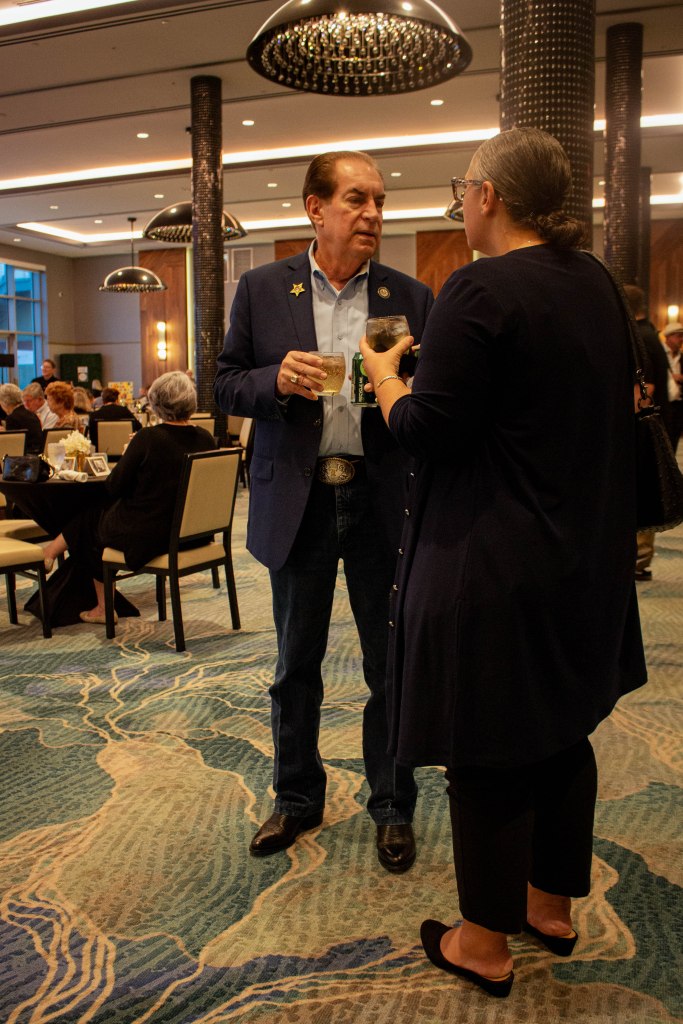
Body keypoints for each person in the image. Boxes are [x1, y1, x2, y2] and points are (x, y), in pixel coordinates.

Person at [359, 128, 647, 997]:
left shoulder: (478, 286)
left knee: (483, 751)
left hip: (496, 560)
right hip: (582, 552)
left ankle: (481, 943)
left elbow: (428, 432)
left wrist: (384, 376)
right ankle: (548, 906)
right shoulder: (594, 280)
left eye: (463, 190)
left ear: (487, 196)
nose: (461, 205)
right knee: (560, 730)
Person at [214, 150, 433, 871]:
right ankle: (297, 797)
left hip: (381, 497)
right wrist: (273, 381)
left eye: (379, 200)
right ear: (315, 208)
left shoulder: (410, 294)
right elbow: (225, 384)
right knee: (294, 663)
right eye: (356, 199)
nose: (373, 213)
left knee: (388, 663)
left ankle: (392, 804)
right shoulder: (261, 289)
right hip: (297, 499)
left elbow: (431, 395)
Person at [41, 371, 215, 624]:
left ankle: (100, 605)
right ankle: (51, 554)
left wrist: (131, 453)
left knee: (89, 521)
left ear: (156, 403)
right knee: (92, 520)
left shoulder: (149, 438)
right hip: (193, 534)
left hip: (153, 535)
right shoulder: (205, 438)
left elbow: (114, 486)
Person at [623, 285, 671, 581]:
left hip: (640, 426)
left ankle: (639, 560)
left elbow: (645, 388)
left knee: (641, 490)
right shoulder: (649, 332)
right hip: (651, 423)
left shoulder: (640, 335)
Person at [0, 382, 43, 453]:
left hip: (25, 457)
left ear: (4, 402)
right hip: (38, 455)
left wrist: (4, 436)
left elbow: (13, 447)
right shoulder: (32, 414)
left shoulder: (12, 418)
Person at [662, 321, 683, 452]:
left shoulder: (681, 357)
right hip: (664, 404)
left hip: (678, 404)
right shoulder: (660, 354)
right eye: (678, 336)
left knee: (674, 439)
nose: (681, 339)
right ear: (668, 337)